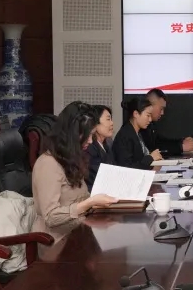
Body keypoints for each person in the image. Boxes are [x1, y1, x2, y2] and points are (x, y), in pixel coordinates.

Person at [32, 103, 117, 242]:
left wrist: (96, 202)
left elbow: (81, 199)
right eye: (87, 135)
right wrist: (89, 203)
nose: (90, 141)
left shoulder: (71, 159)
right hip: (56, 241)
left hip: (80, 232)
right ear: (72, 134)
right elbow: (51, 217)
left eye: (92, 135)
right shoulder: (48, 164)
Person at [144, 88, 193, 156]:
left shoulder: (151, 124)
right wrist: (181, 147)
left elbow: (160, 142)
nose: (162, 113)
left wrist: (181, 142)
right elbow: (153, 148)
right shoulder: (141, 127)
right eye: (161, 108)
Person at [112, 97, 162, 169]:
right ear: (136, 114)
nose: (150, 119)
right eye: (148, 115)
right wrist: (150, 158)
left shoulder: (138, 133)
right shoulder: (125, 135)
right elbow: (127, 167)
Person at [84, 104, 116, 188]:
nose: (112, 123)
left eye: (111, 119)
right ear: (95, 123)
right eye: (108, 119)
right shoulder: (90, 147)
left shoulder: (107, 144)